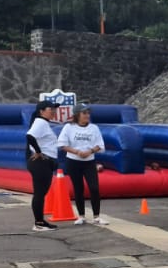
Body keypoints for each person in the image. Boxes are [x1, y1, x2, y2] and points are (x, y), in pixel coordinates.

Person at [57, 105, 108, 226]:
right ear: (77, 115)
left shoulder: (94, 128)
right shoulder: (69, 127)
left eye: (88, 113)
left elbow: (100, 145)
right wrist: (77, 152)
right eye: (84, 113)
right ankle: (81, 216)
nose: (87, 115)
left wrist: (90, 151)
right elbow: (62, 145)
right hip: (74, 161)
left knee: (94, 188)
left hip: (89, 162)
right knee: (78, 189)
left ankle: (97, 216)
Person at [25, 99, 61, 231]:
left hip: (44, 163)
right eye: (50, 110)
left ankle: (40, 221)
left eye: (54, 109)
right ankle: (38, 223)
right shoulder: (40, 122)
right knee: (40, 193)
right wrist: (39, 151)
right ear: (41, 111)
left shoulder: (44, 123)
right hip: (40, 163)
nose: (53, 112)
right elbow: (29, 136)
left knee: (41, 193)